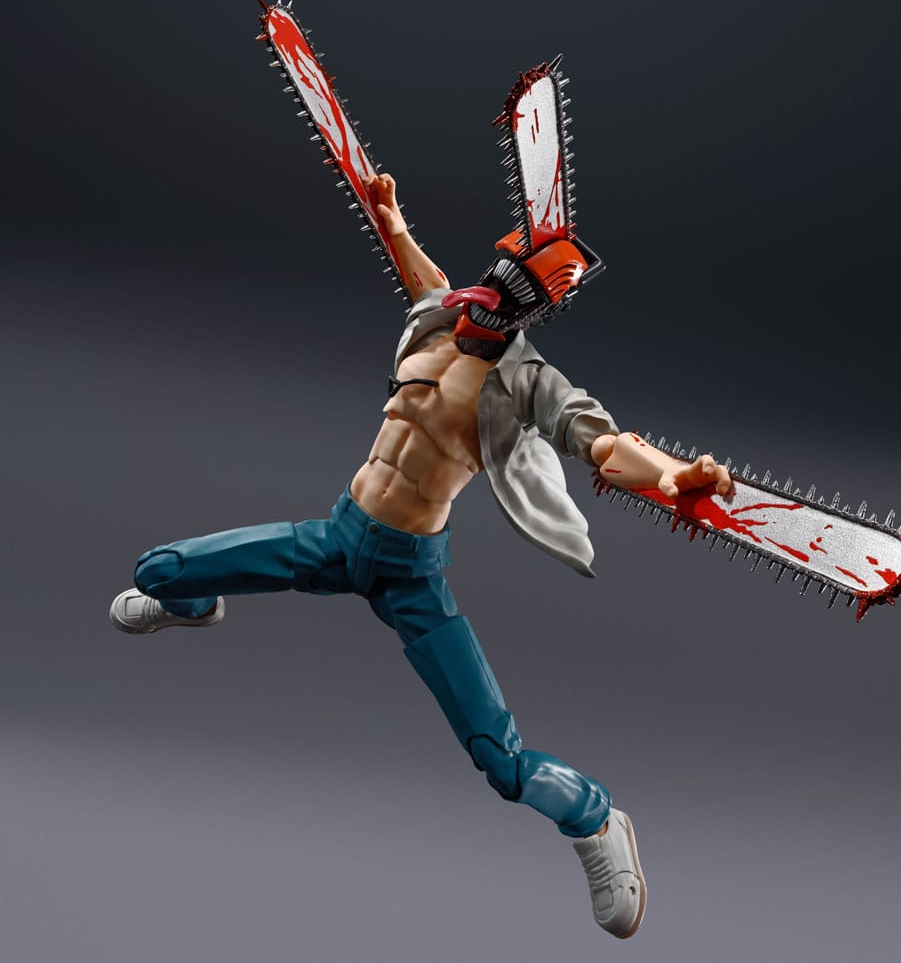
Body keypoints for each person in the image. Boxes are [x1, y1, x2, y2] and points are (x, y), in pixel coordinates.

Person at [110, 173, 731, 939]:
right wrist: (393, 217)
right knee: (159, 571)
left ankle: (597, 821)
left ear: (534, 307)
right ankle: (193, 605)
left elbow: (604, 445)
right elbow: (420, 275)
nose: (494, 292)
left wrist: (673, 476)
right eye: (500, 272)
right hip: (337, 538)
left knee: (499, 759)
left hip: (410, 572)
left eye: (514, 288)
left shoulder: (529, 382)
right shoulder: (442, 316)